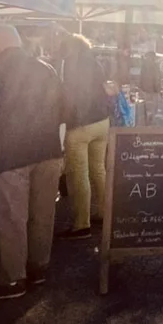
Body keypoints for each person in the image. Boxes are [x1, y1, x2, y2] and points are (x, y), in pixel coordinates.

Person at [0, 25, 64, 301]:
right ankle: (38, 269)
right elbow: (64, 109)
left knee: (12, 220)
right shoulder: (46, 69)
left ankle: (12, 280)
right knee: (42, 215)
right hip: (49, 151)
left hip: (10, 156)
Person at [58, 34, 111, 240]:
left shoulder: (71, 63)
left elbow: (71, 95)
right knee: (98, 169)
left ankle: (82, 225)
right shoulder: (95, 62)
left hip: (81, 124)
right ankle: (104, 213)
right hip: (102, 122)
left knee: (78, 174)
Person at [139, 51, 161, 124]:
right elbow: (157, 79)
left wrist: (140, 88)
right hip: (153, 90)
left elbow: (141, 78)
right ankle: (150, 120)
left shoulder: (143, 66)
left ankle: (147, 120)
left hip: (145, 89)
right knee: (153, 107)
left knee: (146, 106)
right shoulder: (155, 66)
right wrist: (158, 90)